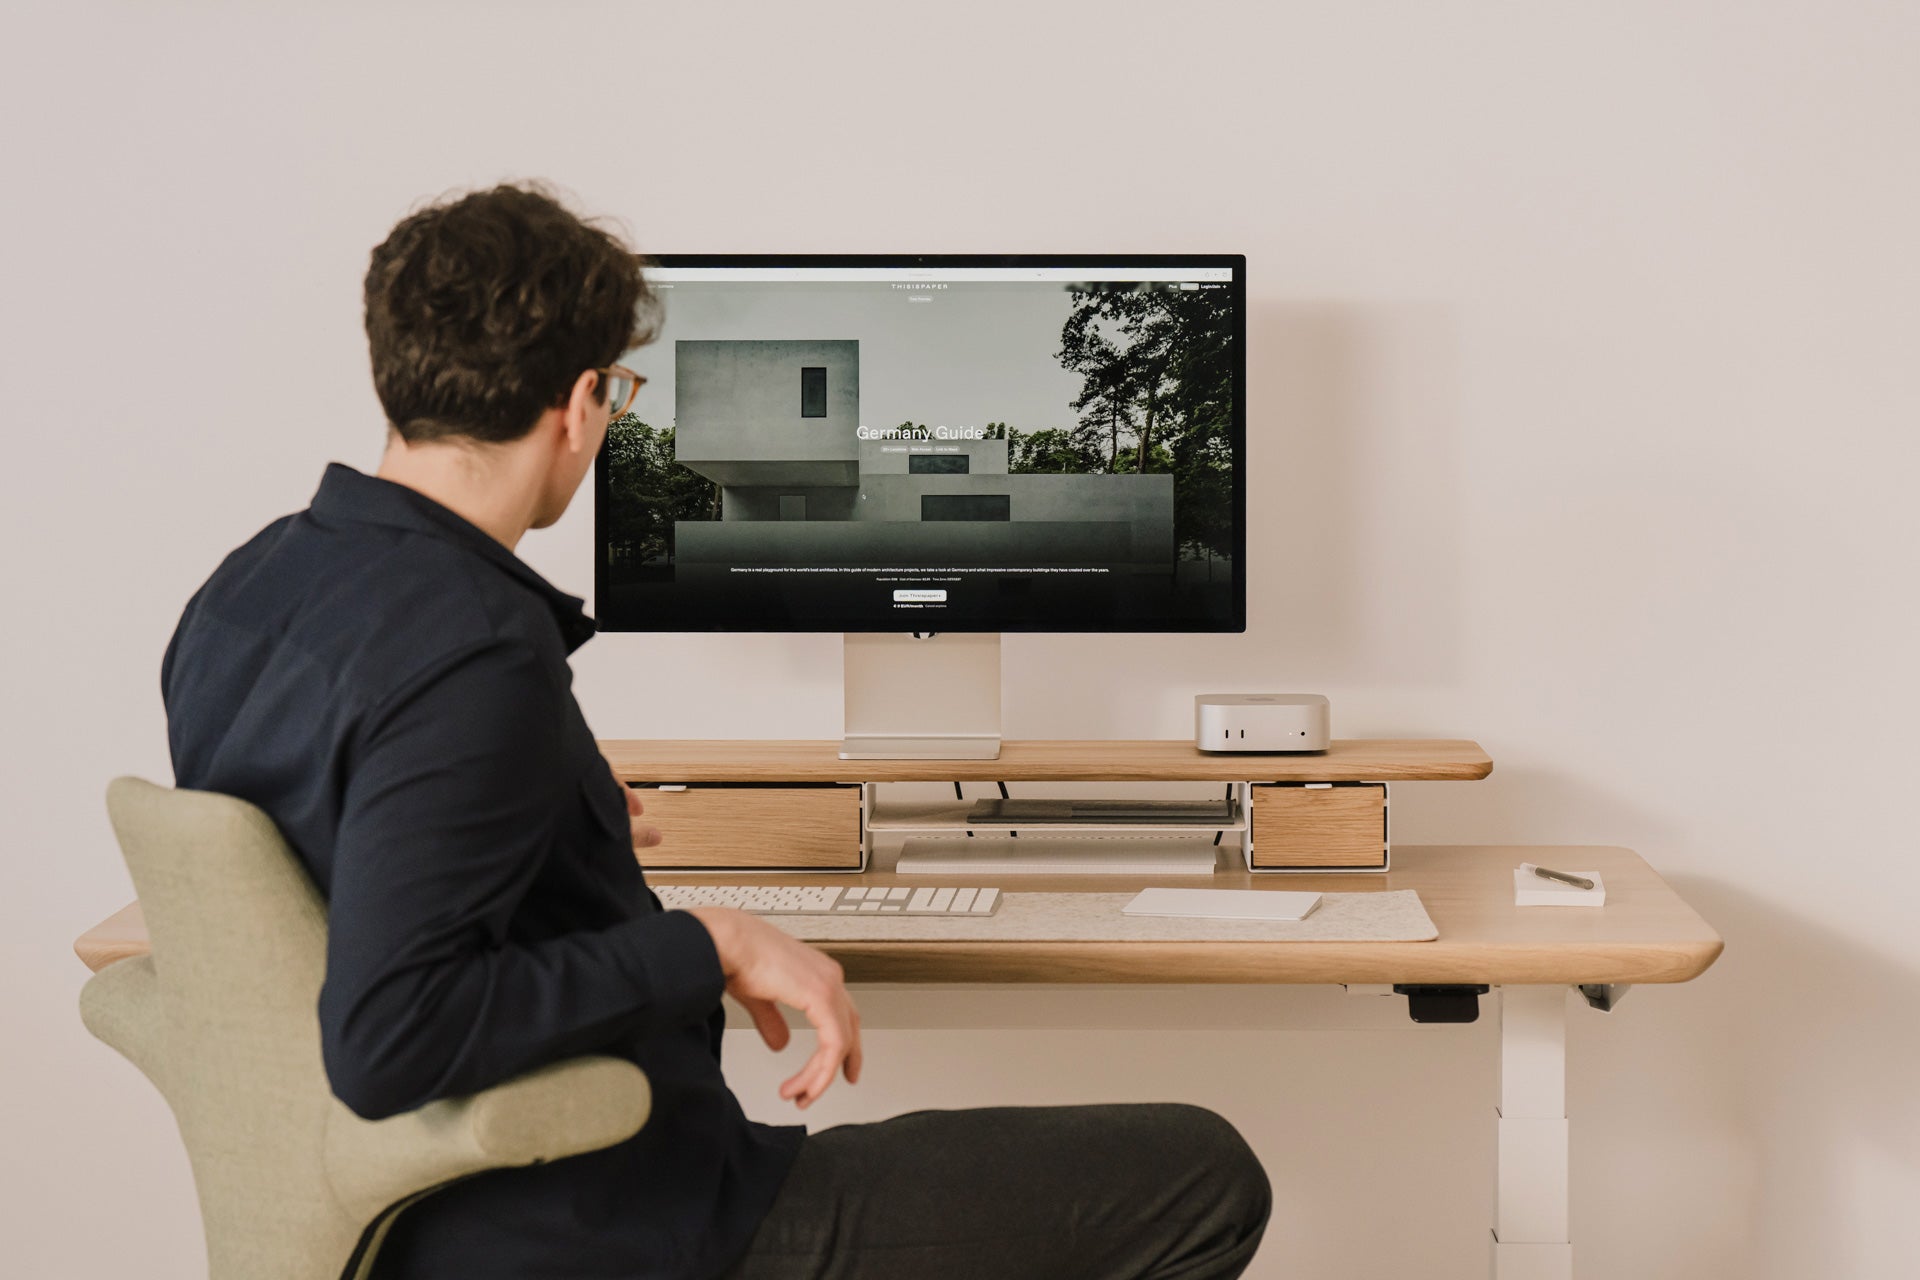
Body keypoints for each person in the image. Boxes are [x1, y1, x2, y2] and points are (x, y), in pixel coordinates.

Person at [161, 181, 1271, 1280]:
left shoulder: (250, 589)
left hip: (405, 1218)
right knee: (1204, 1174)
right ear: (581, 401)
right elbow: (393, 1031)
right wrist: (713, 942)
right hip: (612, 1223)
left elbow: (352, 847)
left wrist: (556, 812)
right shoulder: (476, 651)